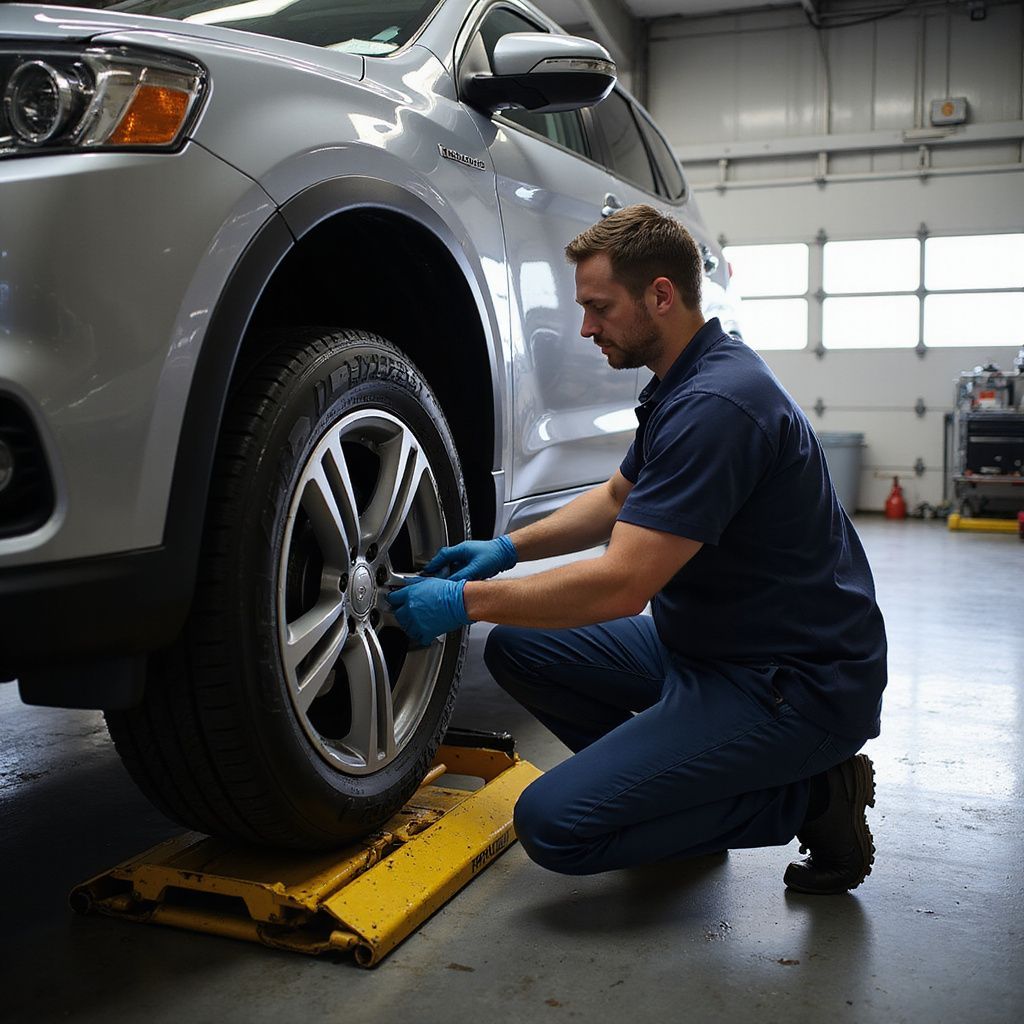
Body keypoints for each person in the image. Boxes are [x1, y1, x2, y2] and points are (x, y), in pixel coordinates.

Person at [387, 204, 887, 894]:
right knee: (517, 648)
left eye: (599, 307)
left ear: (660, 294)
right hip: (711, 649)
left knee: (555, 825)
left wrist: (465, 601)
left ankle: (815, 798)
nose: (587, 327)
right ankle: (682, 804)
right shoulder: (685, 381)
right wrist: (505, 549)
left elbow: (622, 586)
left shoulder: (720, 406)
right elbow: (620, 499)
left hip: (793, 686)